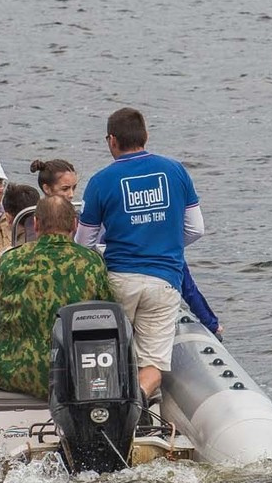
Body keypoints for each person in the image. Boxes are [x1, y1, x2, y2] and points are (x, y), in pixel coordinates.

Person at [74, 106, 202, 404]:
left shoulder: (100, 181)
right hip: (164, 280)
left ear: (112, 140)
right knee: (152, 365)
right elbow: (196, 229)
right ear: (146, 136)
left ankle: (103, 405)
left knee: (109, 355)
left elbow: (83, 243)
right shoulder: (175, 171)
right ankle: (138, 401)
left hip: (118, 280)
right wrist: (167, 244)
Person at [0, 194, 114, 397]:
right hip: (74, 373)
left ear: (35, 223)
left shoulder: (10, 260)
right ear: (75, 224)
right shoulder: (92, 262)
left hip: (13, 373)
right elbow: (106, 314)